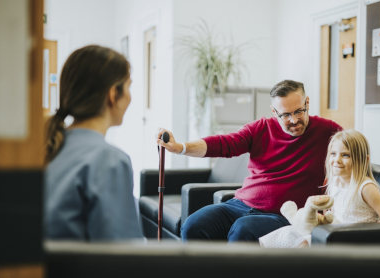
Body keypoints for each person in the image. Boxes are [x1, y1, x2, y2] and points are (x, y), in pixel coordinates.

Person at [157, 80, 342, 242]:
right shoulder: (261, 128)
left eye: (299, 111)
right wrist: (180, 147)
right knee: (193, 224)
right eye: (285, 115)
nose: (294, 120)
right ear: (274, 111)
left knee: (243, 229)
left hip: (284, 214)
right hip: (241, 204)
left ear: (307, 102)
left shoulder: (329, 132)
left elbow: (353, 155)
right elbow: (224, 144)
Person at [44, 45, 143, 241]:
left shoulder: (49, 146)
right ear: (113, 94)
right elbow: (120, 257)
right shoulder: (109, 160)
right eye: (129, 86)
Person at [259, 129, 380, 248]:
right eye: (333, 154)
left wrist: (362, 229)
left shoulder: (365, 188)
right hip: (333, 233)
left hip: (352, 240)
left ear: (364, 160)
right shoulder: (334, 182)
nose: (337, 160)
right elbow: (332, 213)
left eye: (345, 155)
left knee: (304, 243)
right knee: (287, 233)